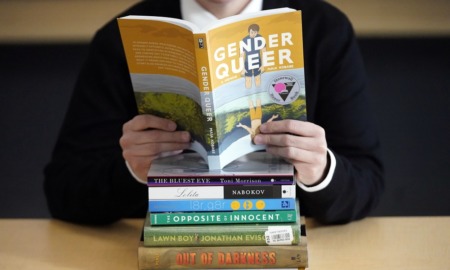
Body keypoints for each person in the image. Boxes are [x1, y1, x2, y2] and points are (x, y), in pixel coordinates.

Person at [44, 0, 384, 225]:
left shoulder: (323, 29)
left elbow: (368, 184)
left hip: (280, 243)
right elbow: (64, 190)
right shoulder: (121, 37)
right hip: (167, 243)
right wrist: (133, 172)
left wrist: (321, 170)